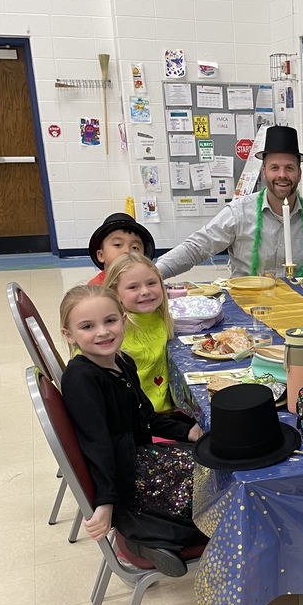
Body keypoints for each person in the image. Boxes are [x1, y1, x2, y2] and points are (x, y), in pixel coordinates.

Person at [59, 285, 205, 576]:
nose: (103, 332)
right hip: (127, 473)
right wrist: (106, 502)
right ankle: (145, 537)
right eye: (88, 326)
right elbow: (96, 443)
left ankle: (155, 536)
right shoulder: (80, 378)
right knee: (211, 489)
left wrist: (187, 431)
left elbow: (146, 417)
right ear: (69, 335)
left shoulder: (123, 361)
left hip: (141, 456)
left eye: (110, 321)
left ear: (124, 320)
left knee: (211, 464)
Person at [155, 126, 303, 281]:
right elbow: (197, 247)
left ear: (299, 174)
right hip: (246, 305)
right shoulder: (239, 212)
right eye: (274, 168)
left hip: (300, 305)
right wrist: (153, 272)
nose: (282, 175)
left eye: (289, 168)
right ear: (264, 173)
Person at [104, 253, 178, 415]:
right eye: (133, 287)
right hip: (135, 417)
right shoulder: (113, 328)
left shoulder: (160, 317)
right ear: (115, 293)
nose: (145, 291)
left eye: (151, 283)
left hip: (163, 412)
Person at [87, 212, 156, 286]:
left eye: (135, 247)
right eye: (117, 245)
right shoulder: (96, 288)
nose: (127, 251)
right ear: (101, 255)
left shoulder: (149, 282)